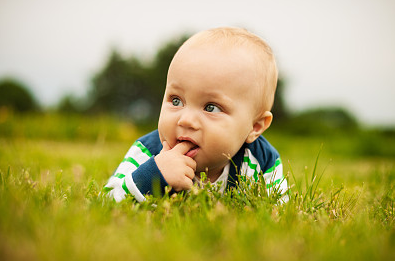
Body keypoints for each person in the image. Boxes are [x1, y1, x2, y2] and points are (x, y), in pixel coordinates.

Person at [103, 27, 288, 203]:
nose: (186, 120)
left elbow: (280, 210)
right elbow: (108, 201)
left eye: (211, 107)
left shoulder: (261, 161)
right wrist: (154, 176)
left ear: (255, 126)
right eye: (176, 101)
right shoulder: (148, 152)